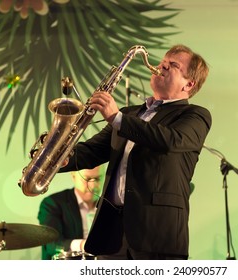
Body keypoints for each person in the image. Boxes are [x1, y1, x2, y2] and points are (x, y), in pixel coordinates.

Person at [60, 44, 211, 260]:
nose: (161, 67)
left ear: (189, 84)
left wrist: (117, 118)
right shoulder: (129, 114)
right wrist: (54, 158)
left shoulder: (195, 115)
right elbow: (93, 150)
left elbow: (170, 140)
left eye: (173, 65)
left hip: (157, 236)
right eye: (162, 62)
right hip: (112, 236)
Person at [37, 167, 102, 260]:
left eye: (97, 179)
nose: (93, 185)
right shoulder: (52, 203)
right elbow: (51, 244)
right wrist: (84, 245)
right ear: (73, 176)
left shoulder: (110, 205)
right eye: (87, 179)